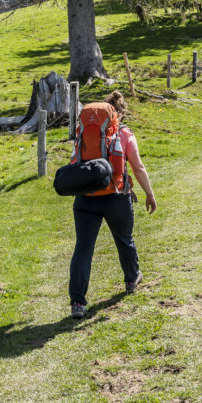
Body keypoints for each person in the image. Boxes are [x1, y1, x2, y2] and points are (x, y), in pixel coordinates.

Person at [68, 91, 157, 319]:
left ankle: (78, 302)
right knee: (124, 239)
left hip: (85, 197)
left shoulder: (84, 133)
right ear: (120, 112)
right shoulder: (124, 133)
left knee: (83, 249)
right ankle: (131, 278)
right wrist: (149, 193)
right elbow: (137, 167)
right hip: (116, 196)